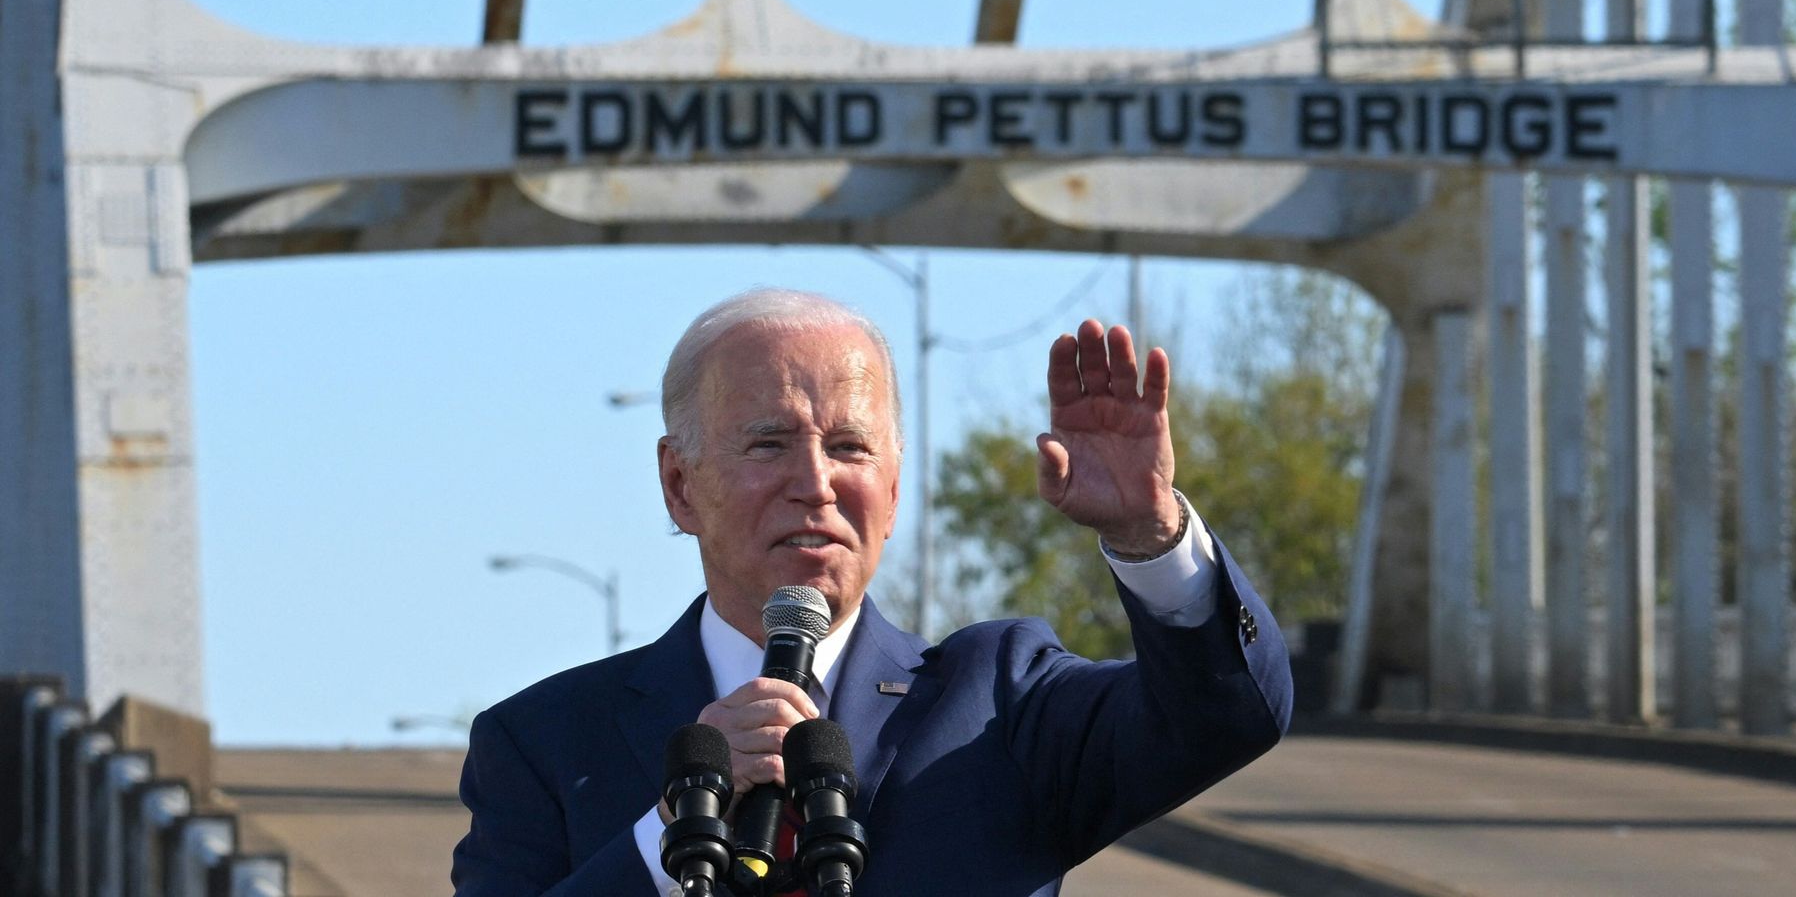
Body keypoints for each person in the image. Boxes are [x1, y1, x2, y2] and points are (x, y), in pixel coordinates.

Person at [452, 289, 1291, 897]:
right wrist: (674, 833)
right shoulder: (543, 743)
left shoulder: (1000, 703)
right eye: (769, 443)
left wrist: (1151, 536)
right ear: (679, 485)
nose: (814, 483)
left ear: (892, 490)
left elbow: (1225, 718)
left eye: (850, 447)